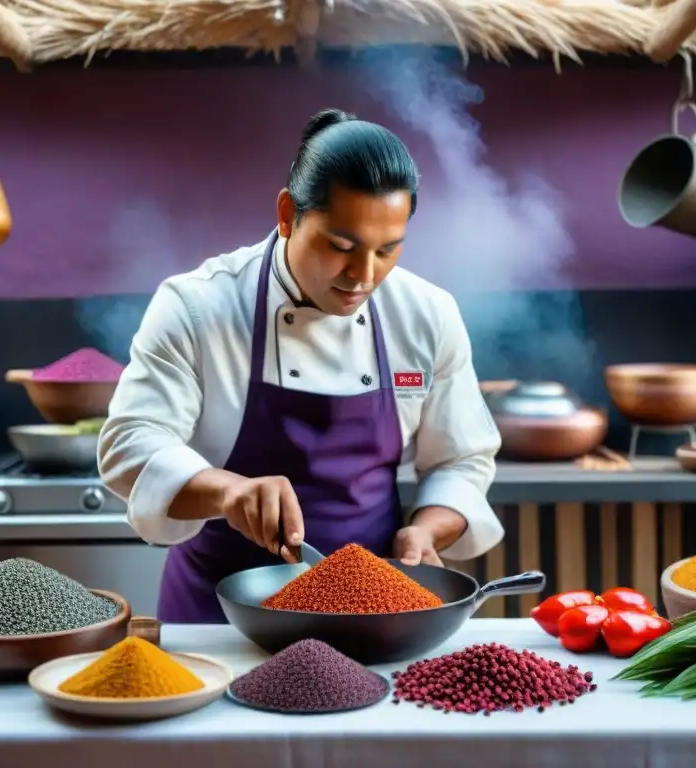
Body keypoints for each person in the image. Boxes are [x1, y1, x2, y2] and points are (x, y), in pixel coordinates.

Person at [98, 107, 503, 624]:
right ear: (288, 214)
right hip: (217, 616)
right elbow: (129, 446)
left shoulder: (427, 314)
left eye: (388, 250)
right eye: (341, 247)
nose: (363, 275)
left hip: (370, 616)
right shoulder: (198, 306)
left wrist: (426, 529)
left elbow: (461, 459)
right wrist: (231, 491)